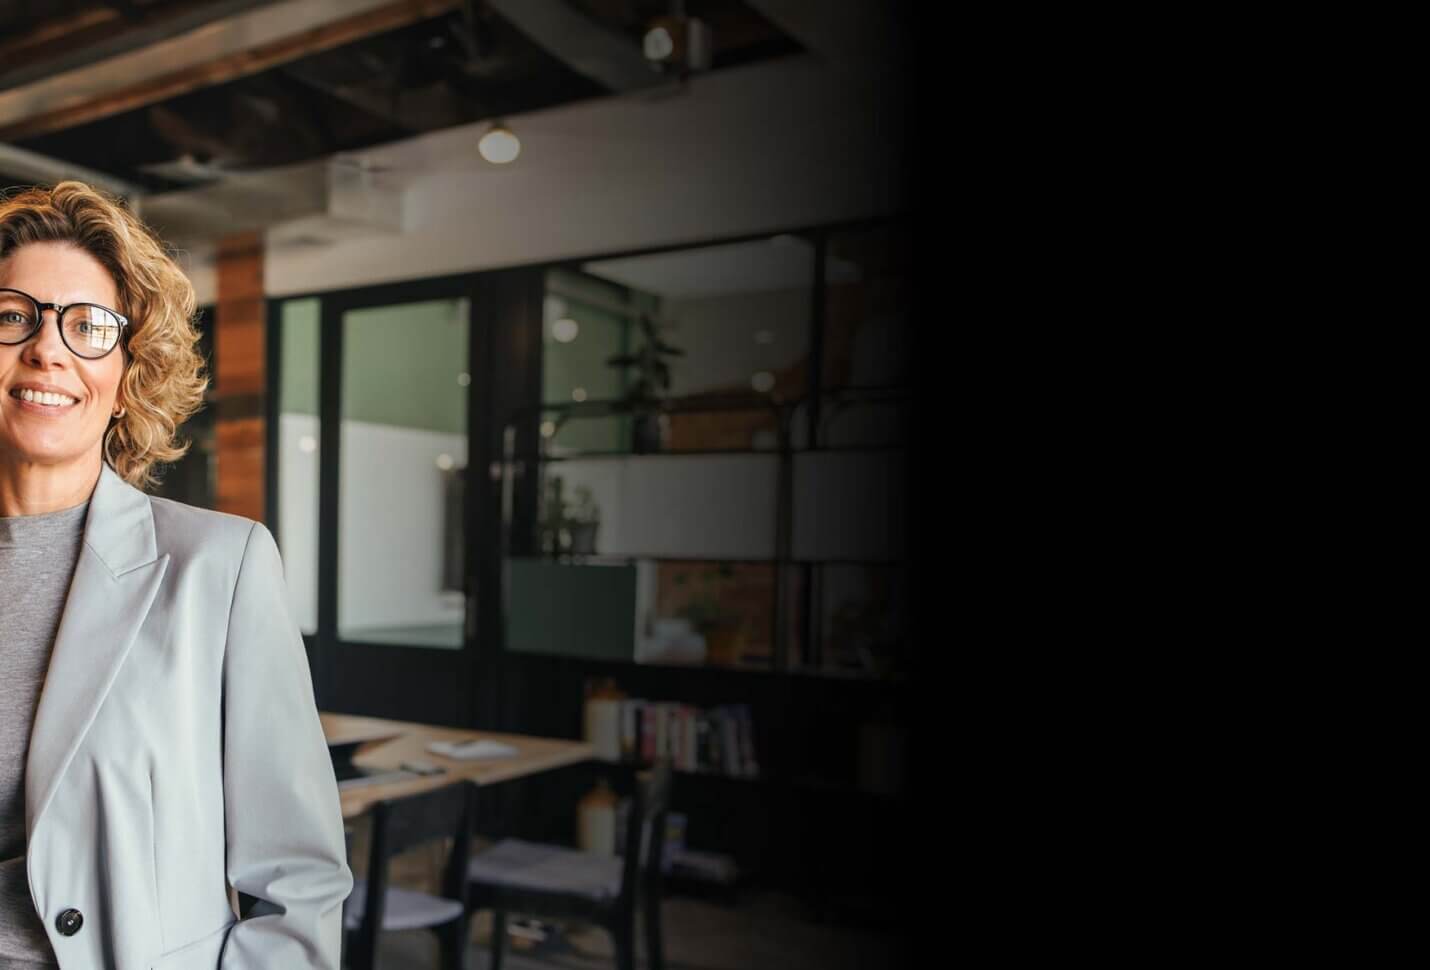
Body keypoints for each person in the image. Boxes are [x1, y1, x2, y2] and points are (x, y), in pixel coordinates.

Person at [0, 181, 351, 969]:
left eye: (88, 326)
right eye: (12, 316)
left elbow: (297, 879)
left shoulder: (219, 570)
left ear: (127, 377)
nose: (47, 348)